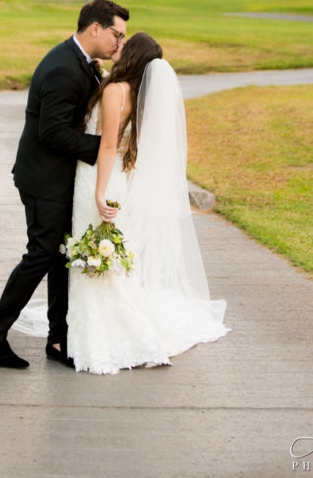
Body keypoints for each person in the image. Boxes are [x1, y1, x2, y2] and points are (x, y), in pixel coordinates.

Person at [0, 0, 129, 369]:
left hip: (58, 179)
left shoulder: (82, 62)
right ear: (95, 28)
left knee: (62, 256)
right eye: (116, 35)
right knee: (42, 254)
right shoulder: (63, 68)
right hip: (43, 179)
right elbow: (52, 134)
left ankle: (58, 340)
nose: (119, 44)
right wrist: (104, 147)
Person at [66, 32, 230, 374]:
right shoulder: (131, 90)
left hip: (99, 178)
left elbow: (108, 146)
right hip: (114, 180)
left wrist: (98, 193)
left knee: (95, 251)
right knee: (101, 254)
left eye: (124, 45)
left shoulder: (115, 91)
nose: (118, 46)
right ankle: (92, 327)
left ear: (133, 55)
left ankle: (106, 332)